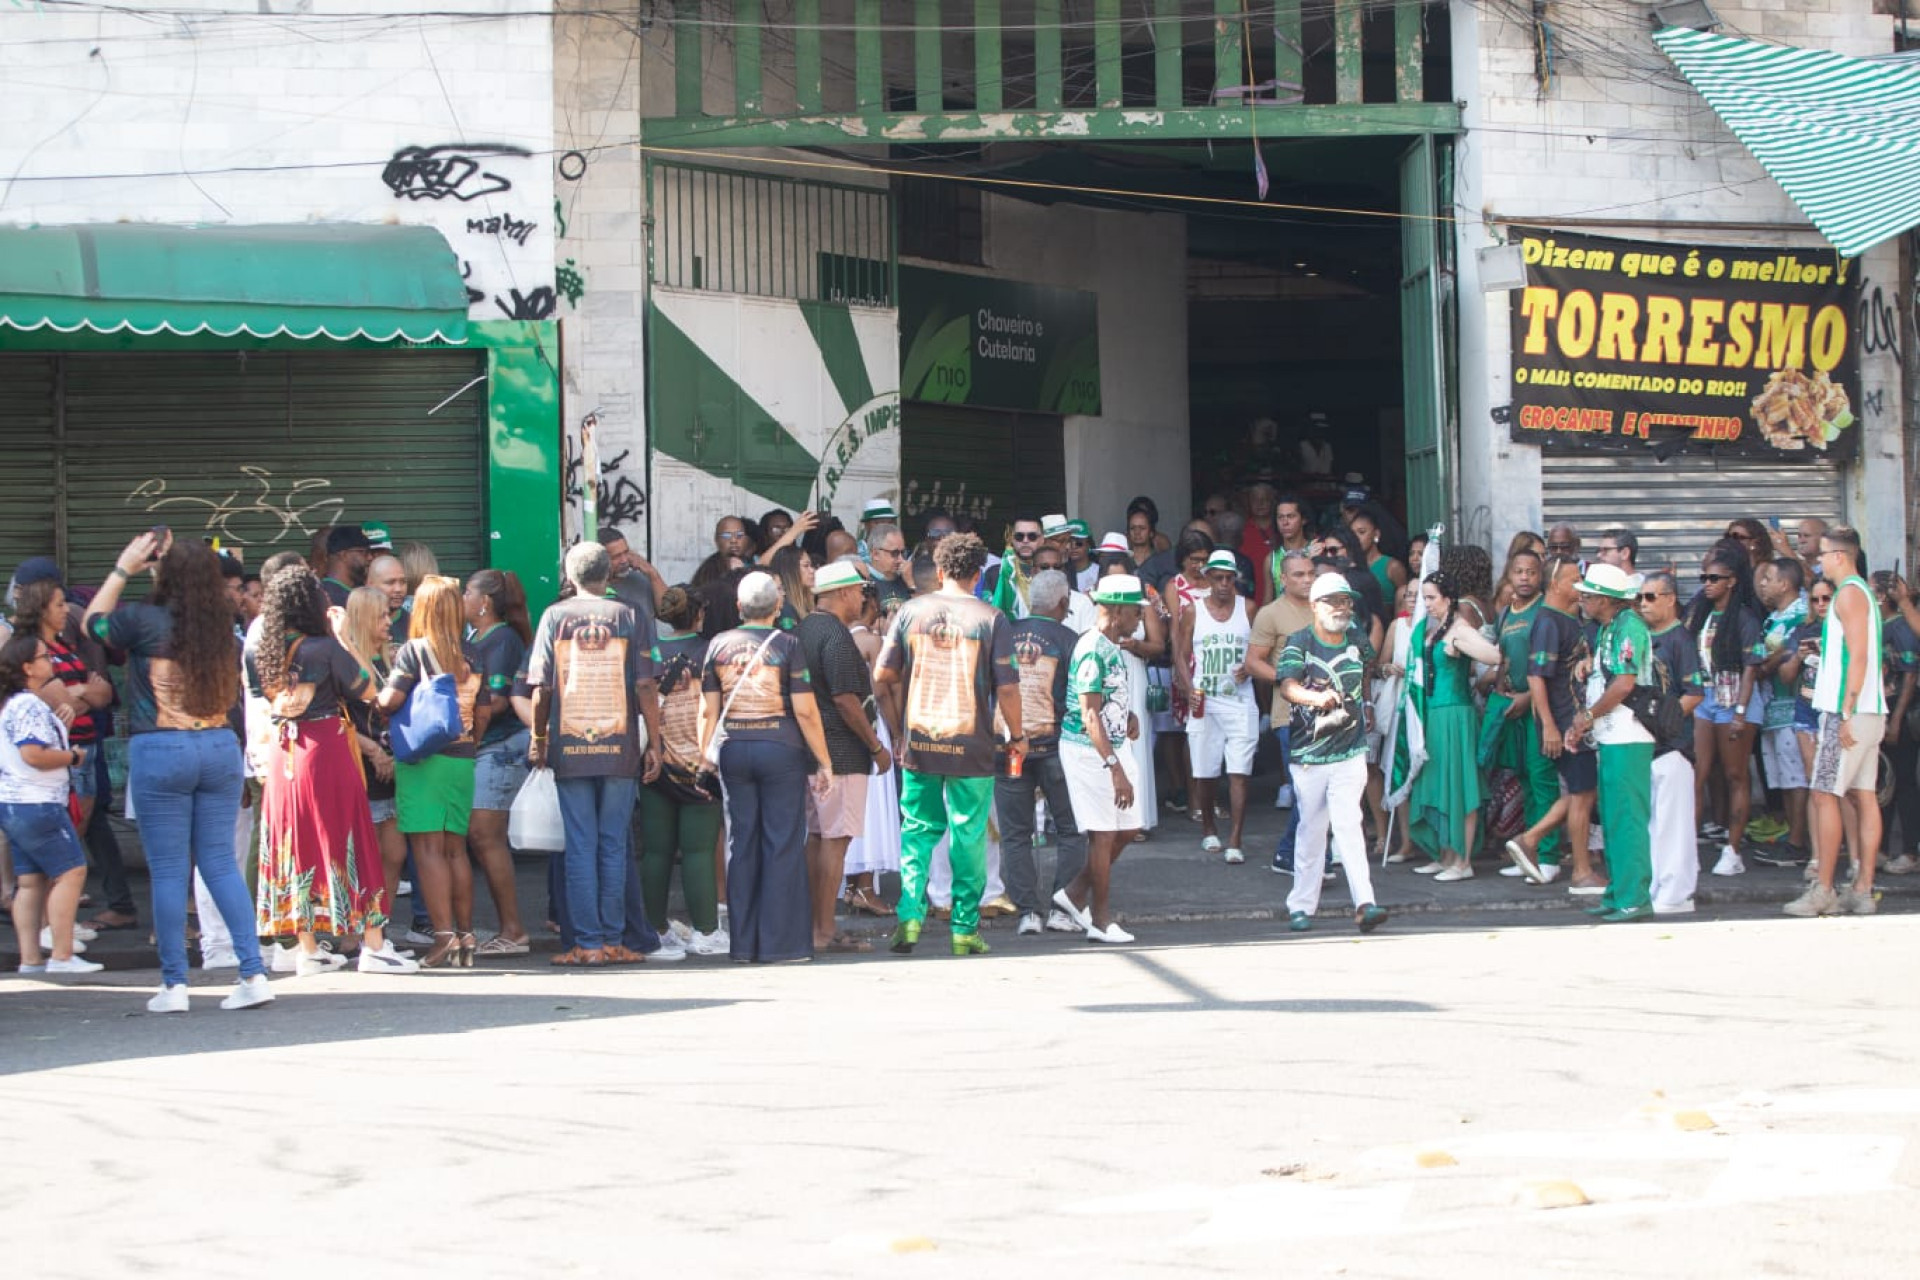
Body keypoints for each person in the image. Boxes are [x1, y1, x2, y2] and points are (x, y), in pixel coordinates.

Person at [85, 530, 273, 1013]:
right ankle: (253, 973)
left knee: (169, 870)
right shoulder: (221, 629)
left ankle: (175, 985)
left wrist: (125, 567)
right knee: (221, 864)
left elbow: (92, 624)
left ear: (163, 575)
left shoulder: (143, 620)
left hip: (162, 747)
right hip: (218, 746)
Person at [247, 567, 418, 974]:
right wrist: (344, 639)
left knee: (296, 844)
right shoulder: (323, 648)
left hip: (284, 752)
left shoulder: (262, 651)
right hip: (324, 747)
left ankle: (308, 949)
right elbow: (367, 688)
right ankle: (374, 946)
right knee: (351, 838)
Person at [875, 532, 1024, 957]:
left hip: (920, 742)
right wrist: (1017, 736)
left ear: (939, 572)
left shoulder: (911, 612)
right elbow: (1008, 688)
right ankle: (964, 928)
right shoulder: (991, 618)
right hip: (972, 744)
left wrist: (898, 730)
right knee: (969, 835)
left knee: (917, 832)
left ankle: (909, 917)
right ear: (978, 575)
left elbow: (882, 677)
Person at [527, 543, 663, 965]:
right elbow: (646, 685)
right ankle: (613, 940)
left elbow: (541, 688)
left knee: (580, 846)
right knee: (613, 845)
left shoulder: (554, 616)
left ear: (570, 576)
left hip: (571, 747)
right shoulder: (630, 615)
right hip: (620, 746)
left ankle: (587, 944)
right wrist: (655, 743)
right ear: (609, 574)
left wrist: (538, 737)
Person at [698, 571, 831, 963]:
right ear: (778, 606)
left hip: (734, 749)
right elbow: (805, 711)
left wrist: (704, 755)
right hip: (780, 749)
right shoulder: (788, 645)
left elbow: (708, 709)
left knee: (740, 844)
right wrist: (824, 761)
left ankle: (743, 944)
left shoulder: (718, 644)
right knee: (782, 843)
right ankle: (781, 945)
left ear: (739, 607)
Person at [378, 576, 493, 968]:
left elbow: (390, 700)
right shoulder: (473, 653)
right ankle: (466, 934)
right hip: (463, 759)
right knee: (455, 849)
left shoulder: (414, 650)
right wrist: (471, 741)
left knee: (427, 849)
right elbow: (483, 710)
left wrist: (376, 698)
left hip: (424, 760)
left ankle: (443, 937)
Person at [1275, 575, 1388, 934]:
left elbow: (1366, 669)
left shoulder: (1356, 636)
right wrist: (1314, 697)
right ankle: (1300, 905)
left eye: (1346, 601)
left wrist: (1366, 703)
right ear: (1314, 606)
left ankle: (1365, 903)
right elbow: (1287, 685)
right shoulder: (1300, 641)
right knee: (1311, 828)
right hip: (1309, 752)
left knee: (1349, 824)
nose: (1342, 608)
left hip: (1351, 747)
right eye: (1333, 601)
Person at [1787, 527, 1886, 917]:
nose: (1819, 561)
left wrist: (1845, 710)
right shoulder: (1861, 594)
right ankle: (1861, 889)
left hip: (1849, 712)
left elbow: (1858, 655)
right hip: (1868, 710)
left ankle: (1824, 889)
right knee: (1863, 795)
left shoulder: (1848, 594)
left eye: (1823, 555)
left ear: (1840, 556)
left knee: (1824, 794)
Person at [797, 561, 890, 954]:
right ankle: (822, 930)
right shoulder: (835, 635)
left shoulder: (804, 628)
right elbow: (846, 699)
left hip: (814, 752)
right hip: (841, 753)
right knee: (835, 841)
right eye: (859, 592)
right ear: (842, 592)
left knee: (819, 839)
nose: (862, 599)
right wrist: (876, 746)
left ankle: (812, 926)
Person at [0, 631, 104, 975]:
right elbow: (33, 754)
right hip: (38, 802)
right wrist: (71, 757)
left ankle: (30, 958)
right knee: (71, 871)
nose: (51, 661)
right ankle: (61, 954)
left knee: (30, 881)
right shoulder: (29, 704)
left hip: (15, 804)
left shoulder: (13, 704)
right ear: (27, 667)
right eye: (44, 656)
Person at [1052, 574, 1148, 943]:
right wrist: (1115, 769)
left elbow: (1105, 701)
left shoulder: (1111, 645)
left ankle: (1075, 892)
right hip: (1089, 751)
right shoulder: (1092, 649)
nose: (1140, 617)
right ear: (1117, 611)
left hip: (1113, 744)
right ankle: (1101, 920)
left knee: (1129, 826)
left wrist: (1127, 715)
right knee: (1104, 833)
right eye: (1136, 610)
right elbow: (1089, 715)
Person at [992, 569, 1088, 936]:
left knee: (1015, 834)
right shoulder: (1069, 640)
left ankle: (1028, 913)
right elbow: (1080, 698)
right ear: (1063, 603)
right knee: (1071, 830)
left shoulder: (1004, 634)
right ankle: (1062, 910)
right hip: (1056, 750)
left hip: (1008, 748)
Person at [1501, 558, 1602, 895]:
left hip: (1574, 721)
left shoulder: (1567, 620)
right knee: (1582, 794)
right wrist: (1549, 726)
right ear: (1555, 583)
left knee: (1582, 792)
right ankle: (1579, 869)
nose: (1581, 585)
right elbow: (1536, 676)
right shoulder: (1548, 622)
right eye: (1575, 579)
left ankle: (1531, 840)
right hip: (1565, 722)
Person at [637, 585, 727, 955]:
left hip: (654, 760)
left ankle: (654, 928)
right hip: (699, 764)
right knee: (699, 851)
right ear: (699, 614)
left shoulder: (650, 652)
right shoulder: (710, 652)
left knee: (656, 852)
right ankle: (706, 931)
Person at [1569, 564, 1657, 922]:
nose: (1582, 600)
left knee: (1628, 819)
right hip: (1612, 734)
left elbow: (1624, 683)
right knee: (1613, 818)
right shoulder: (1609, 628)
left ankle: (1635, 898)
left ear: (1605, 599)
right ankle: (1619, 893)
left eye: (1588, 595)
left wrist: (1588, 715)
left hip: (1628, 734)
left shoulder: (1629, 627)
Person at [1407, 569, 1502, 880]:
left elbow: (1493, 656)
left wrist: (1462, 646)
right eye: (1425, 599)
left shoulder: (1459, 629)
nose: (1427, 604)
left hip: (1455, 716)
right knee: (1438, 783)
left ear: (1448, 599)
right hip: (1435, 716)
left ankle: (1463, 861)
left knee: (1460, 785)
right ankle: (1446, 854)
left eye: (1432, 598)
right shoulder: (1436, 628)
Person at [463, 569, 535, 956]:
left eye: (467, 593)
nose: (463, 599)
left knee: (485, 835)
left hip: (499, 747)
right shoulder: (475, 638)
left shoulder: (502, 639)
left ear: (484, 603)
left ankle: (513, 929)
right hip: (483, 747)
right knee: (480, 836)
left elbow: (500, 700)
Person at [1686, 542, 1765, 876]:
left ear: (1732, 581)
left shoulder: (1744, 618)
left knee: (1735, 775)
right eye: (1704, 578)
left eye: (1715, 578)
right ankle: (1686, 850)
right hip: (1705, 697)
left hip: (1735, 700)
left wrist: (1741, 712)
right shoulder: (1701, 613)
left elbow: (1751, 668)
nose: (1707, 584)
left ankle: (1733, 851)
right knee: (1697, 772)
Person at [1176, 549, 1257, 863]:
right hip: (1205, 702)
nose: (1224, 584)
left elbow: (1262, 649)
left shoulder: (1248, 608)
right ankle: (1209, 828)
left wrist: (1249, 667)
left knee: (1239, 772)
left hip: (1241, 702)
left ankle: (1235, 839)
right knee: (1205, 772)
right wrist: (1188, 689)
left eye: (1229, 578)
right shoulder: (1193, 611)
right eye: (1218, 578)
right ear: (1208, 578)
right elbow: (1181, 655)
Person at [1485, 549, 1561, 882]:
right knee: (1525, 780)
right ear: (1509, 575)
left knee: (1542, 778)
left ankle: (1549, 856)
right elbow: (1503, 659)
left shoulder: (1546, 612)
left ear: (1540, 575)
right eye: (1519, 571)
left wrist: (1528, 697)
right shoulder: (1504, 613)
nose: (1525, 577)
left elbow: (1554, 668)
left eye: (1531, 571)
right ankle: (1528, 851)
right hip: (1512, 707)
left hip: (1539, 706)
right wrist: (1501, 691)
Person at [1638, 571, 1706, 913]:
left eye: (1651, 596)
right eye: (1640, 597)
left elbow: (1694, 692)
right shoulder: (1644, 637)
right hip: (1647, 745)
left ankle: (1677, 893)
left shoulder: (1681, 639)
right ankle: (1658, 885)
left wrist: (1666, 721)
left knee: (1674, 823)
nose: (1643, 603)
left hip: (1673, 745)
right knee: (1655, 822)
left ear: (1670, 599)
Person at [341, 586, 407, 916]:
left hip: (393, 772)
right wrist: (372, 751)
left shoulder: (387, 661)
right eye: (381, 615)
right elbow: (337, 719)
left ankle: (379, 927)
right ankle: (357, 932)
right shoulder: (345, 666)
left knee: (394, 854)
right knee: (363, 857)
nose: (388, 621)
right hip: (362, 772)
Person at [1751, 557, 1812, 861]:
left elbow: (1791, 650)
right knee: (1783, 778)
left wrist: (1767, 664)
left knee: (1795, 776)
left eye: (1768, 578)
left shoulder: (1801, 614)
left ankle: (1799, 842)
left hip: (1792, 706)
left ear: (1785, 584)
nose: (1762, 584)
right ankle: (1791, 833)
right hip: (1771, 707)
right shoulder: (1773, 617)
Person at [1872, 572, 1919, 871]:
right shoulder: (1878, 626)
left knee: (1903, 782)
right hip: (1881, 713)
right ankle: (1881, 848)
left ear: (1881, 596)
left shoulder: (1902, 628)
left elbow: (1909, 676)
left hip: (1899, 713)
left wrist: (1897, 719)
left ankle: (1910, 852)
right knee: (1883, 782)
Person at [985, 514, 1046, 619]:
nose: (1025, 541)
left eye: (1032, 536)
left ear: (1042, 540)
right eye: (1019, 536)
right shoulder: (996, 574)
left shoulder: (1052, 572)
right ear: (1012, 539)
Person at [1349, 502, 1408, 604]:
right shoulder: (1350, 565)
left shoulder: (1392, 567)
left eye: (1362, 532)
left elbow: (1405, 603)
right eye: (1352, 534)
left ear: (1376, 534)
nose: (1356, 538)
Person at [864, 521, 913, 619]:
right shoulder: (863, 581)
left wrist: (911, 584)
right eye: (894, 553)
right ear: (875, 554)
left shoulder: (907, 576)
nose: (901, 559)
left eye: (903, 552)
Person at [320, 524, 374, 607]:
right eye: (364, 552)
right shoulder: (329, 597)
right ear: (344, 555)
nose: (370, 557)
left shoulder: (320, 591)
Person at [769, 544, 815, 631]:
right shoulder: (784, 608)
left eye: (811, 565)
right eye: (806, 566)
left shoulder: (804, 603)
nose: (812, 570)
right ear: (790, 570)